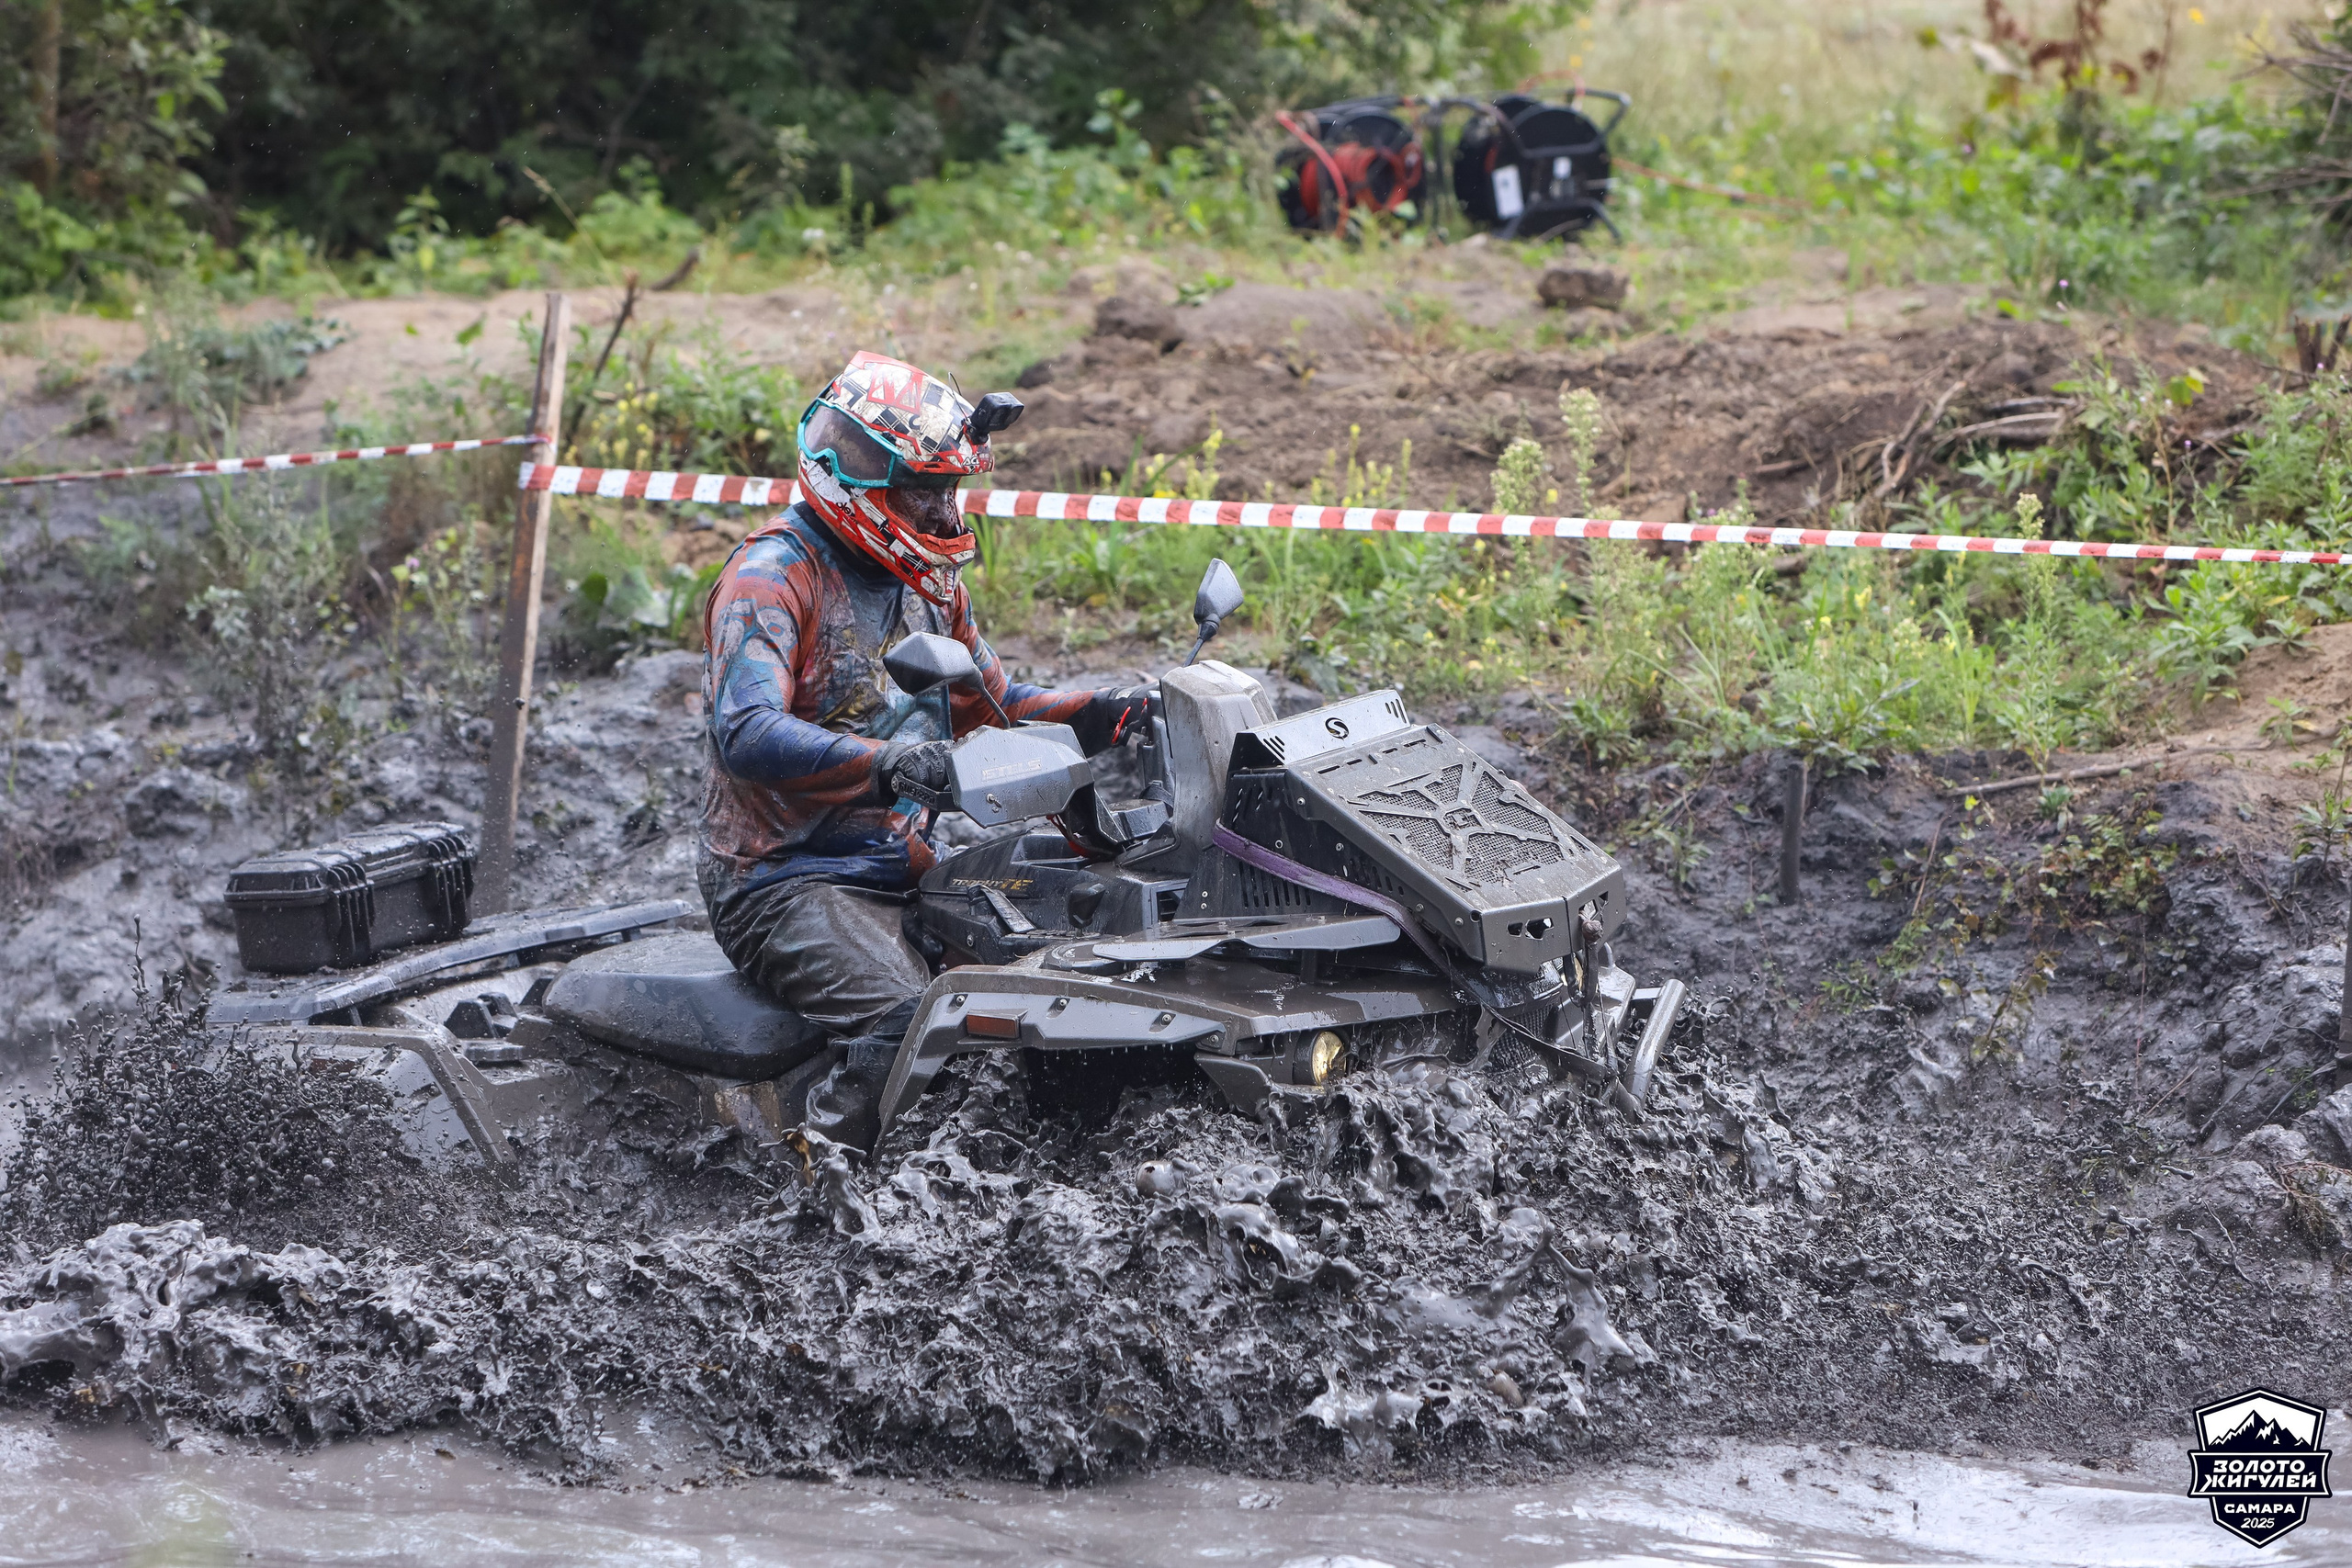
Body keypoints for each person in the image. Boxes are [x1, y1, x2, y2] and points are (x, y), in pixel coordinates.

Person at [697, 351, 1146, 1146]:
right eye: (925, 491)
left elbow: (996, 706)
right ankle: (824, 1174)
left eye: (951, 490)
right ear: (861, 478)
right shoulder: (772, 578)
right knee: (913, 1020)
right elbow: (747, 731)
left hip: (901, 861)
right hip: (781, 878)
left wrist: (1112, 711)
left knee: (1064, 965)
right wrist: (890, 763)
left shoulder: (930, 588)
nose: (944, 514)